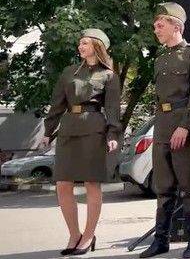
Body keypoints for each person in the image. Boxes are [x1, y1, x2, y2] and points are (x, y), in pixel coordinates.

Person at [139, 3, 190, 259]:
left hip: (187, 127)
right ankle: (161, 241)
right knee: (164, 187)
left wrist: (184, 125)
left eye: (161, 23)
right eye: (155, 24)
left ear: (177, 26)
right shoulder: (160, 59)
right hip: (162, 127)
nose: (155, 28)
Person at [41, 28, 121, 256]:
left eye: (84, 43)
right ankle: (74, 234)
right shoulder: (68, 72)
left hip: (94, 129)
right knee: (62, 184)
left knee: (91, 183)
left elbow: (113, 109)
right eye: (80, 43)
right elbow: (57, 104)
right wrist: (48, 130)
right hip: (68, 129)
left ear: (96, 46)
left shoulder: (109, 75)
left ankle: (88, 235)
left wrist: (113, 134)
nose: (80, 47)